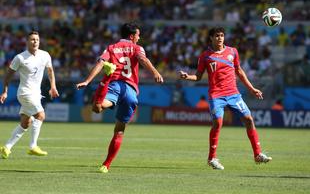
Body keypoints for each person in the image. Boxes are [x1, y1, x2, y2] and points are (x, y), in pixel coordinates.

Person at [179, 27, 272, 170]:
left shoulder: (232, 51)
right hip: (216, 95)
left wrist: (252, 89)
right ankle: (211, 158)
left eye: (222, 35)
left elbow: (239, 72)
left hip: (233, 94)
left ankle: (258, 154)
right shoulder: (205, 56)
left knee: (249, 119)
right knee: (218, 122)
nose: (220, 38)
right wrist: (187, 76)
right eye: (217, 36)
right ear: (211, 38)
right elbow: (198, 76)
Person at [76, 22, 163, 173]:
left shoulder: (111, 48)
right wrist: (155, 72)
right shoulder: (137, 48)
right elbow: (143, 60)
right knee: (119, 131)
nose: (139, 37)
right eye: (138, 35)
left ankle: (105, 79)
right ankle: (106, 165)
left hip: (114, 85)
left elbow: (100, 63)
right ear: (131, 36)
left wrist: (87, 80)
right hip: (130, 91)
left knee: (97, 108)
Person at [0, 31, 59, 159]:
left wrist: (53, 86)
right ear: (27, 42)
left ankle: (7, 147)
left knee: (26, 123)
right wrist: (5, 91)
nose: (35, 42)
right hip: (25, 93)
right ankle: (33, 146)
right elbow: (8, 75)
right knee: (40, 115)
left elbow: (50, 70)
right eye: (32, 39)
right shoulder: (20, 58)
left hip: (36, 94)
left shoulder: (45, 55)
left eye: (37, 39)